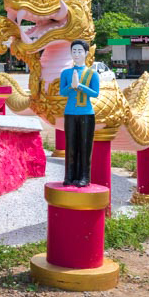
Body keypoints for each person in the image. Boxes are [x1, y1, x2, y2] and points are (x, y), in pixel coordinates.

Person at [59, 39, 100, 187]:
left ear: (86, 53)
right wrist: (72, 86)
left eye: (79, 51)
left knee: (84, 146)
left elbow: (95, 93)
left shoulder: (92, 73)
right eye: (74, 51)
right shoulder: (66, 73)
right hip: (70, 113)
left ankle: (84, 177)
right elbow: (62, 92)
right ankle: (69, 176)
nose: (76, 54)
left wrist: (80, 86)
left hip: (86, 114)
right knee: (70, 146)